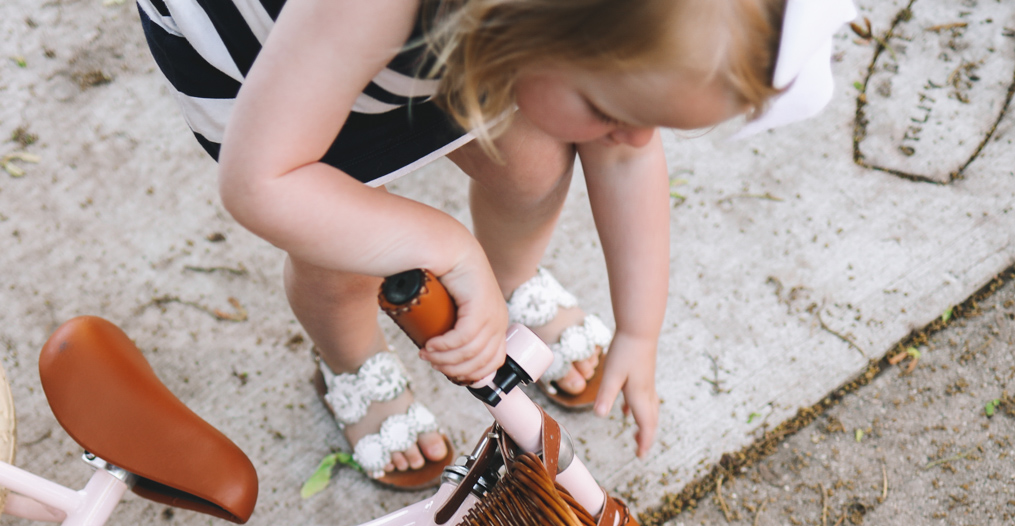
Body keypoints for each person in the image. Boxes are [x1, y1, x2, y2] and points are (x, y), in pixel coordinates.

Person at [138, 0, 855, 487]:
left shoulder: (592, 27)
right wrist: (446, 246)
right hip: (273, 58)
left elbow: (629, 154)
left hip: (447, 38)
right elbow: (262, 183)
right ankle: (350, 363)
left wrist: (641, 327)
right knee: (338, 250)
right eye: (611, 110)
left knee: (537, 160)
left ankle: (510, 283)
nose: (634, 137)